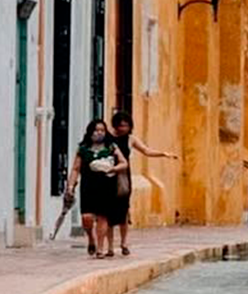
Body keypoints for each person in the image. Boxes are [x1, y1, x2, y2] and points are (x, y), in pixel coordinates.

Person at [108, 110, 177, 255]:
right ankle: (109, 246)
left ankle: (124, 242)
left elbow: (146, 151)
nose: (123, 128)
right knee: (108, 212)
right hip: (109, 175)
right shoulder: (109, 138)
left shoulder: (131, 139)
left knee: (123, 210)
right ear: (115, 125)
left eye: (126, 125)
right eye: (121, 125)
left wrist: (163, 154)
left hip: (123, 177)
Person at [65, 119, 129, 259]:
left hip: (106, 185)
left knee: (102, 216)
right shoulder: (83, 149)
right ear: (90, 132)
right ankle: (91, 238)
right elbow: (76, 169)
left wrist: (113, 168)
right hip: (88, 186)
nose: (99, 133)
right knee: (86, 218)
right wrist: (70, 186)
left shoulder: (111, 147)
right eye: (96, 130)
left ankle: (100, 248)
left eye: (102, 130)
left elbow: (124, 163)